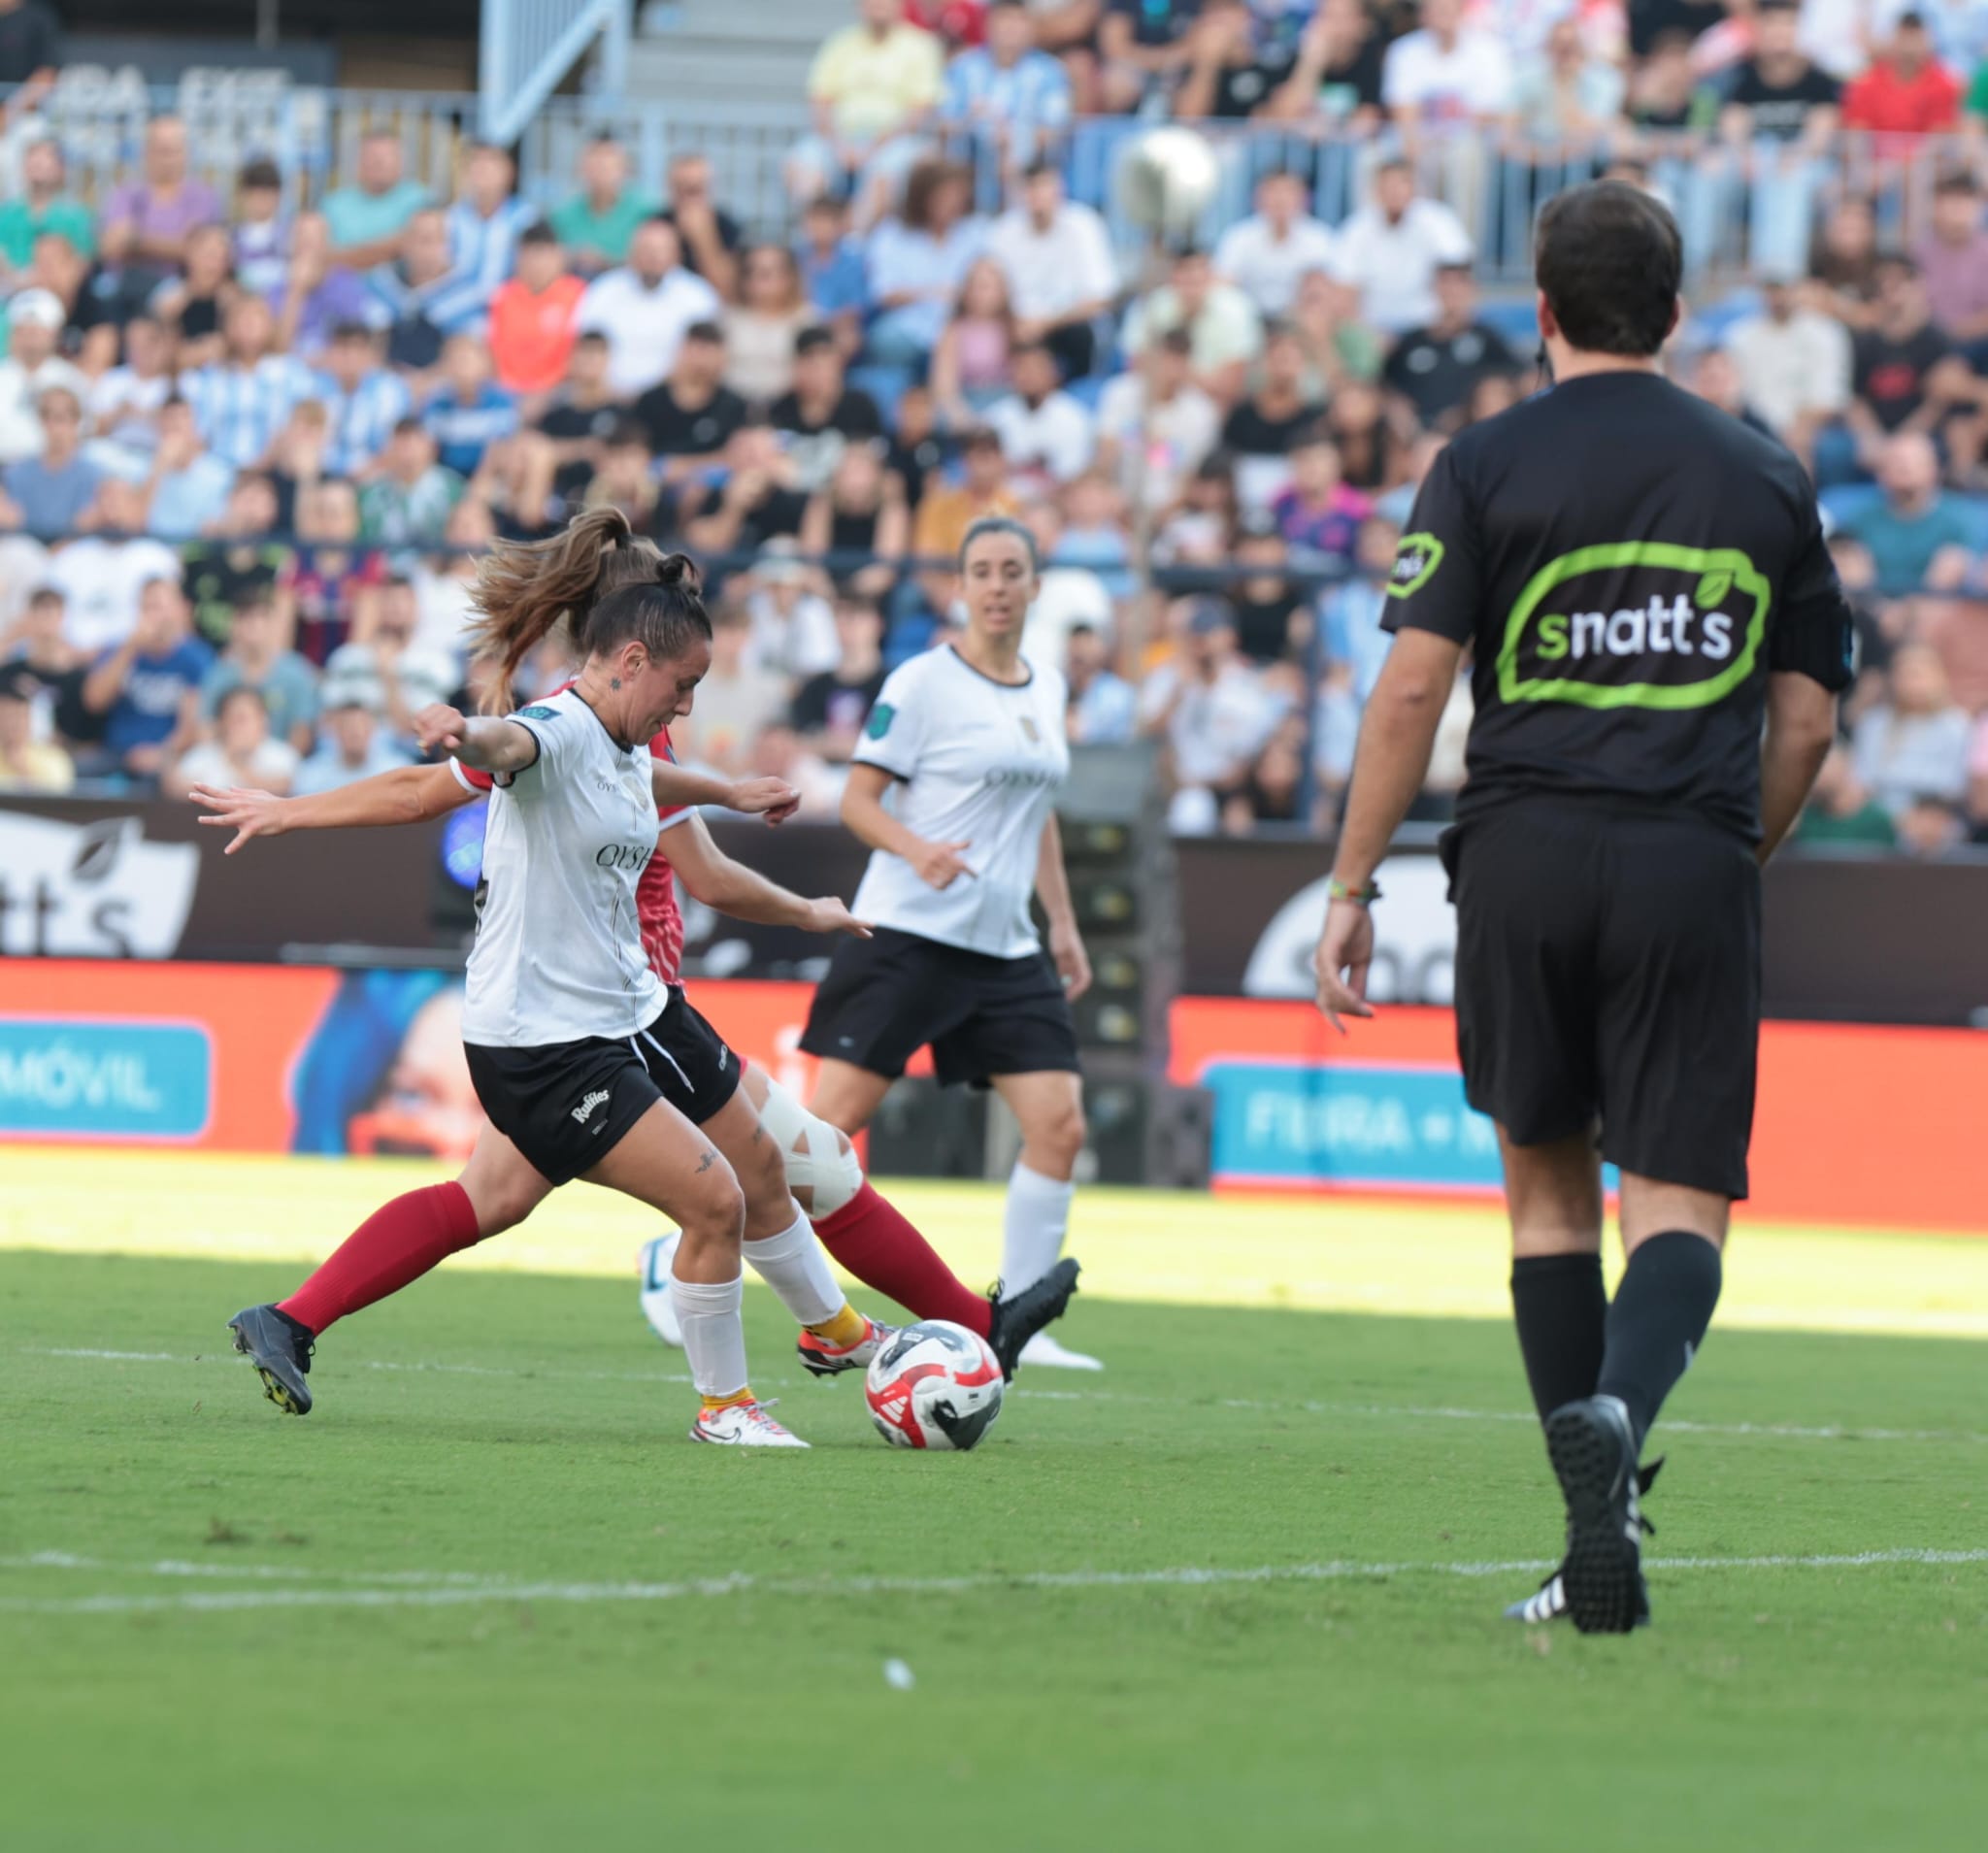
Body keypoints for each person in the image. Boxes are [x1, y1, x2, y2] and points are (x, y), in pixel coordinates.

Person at [1311, 182, 1852, 1635]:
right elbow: (1805, 723)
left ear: (1538, 311)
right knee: (1677, 1198)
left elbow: (1412, 688)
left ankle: (1585, 1531)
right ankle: (1622, 1413)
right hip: (1687, 849)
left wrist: (1354, 882)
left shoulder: (1480, 461)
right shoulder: (1765, 474)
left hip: (1525, 851)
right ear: (1675, 314)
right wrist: (1743, 849)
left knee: (1545, 1188)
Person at [204, 520, 1080, 1406]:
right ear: (634, 645)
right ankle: (881, 1333)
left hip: (613, 1005)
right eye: (685, 678)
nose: (686, 697)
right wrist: (309, 801)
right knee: (778, 1170)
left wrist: (728, 792)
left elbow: (646, 788)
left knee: (501, 1195)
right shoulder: (575, 725)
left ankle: (293, 1318)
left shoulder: (630, 728)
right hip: (609, 1012)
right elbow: (468, 787)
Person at [800, 515, 1094, 1370]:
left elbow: (1034, 817)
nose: (998, 585)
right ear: (960, 588)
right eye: (982, 571)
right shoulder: (924, 681)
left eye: (1013, 570)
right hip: (908, 935)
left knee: (1060, 1124)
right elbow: (858, 801)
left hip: (1005, 947)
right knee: (819, 1137)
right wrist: (915, 846)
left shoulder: (1045, 689)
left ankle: (1021, 1328)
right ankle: (678, 1266)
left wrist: (1062, 924)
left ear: (1035, 587)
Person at [983, 158, 1115, 381]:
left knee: (1079, 335)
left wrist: (1045, 323)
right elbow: (988, 289)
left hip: (1067, 326)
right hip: (1016, 326)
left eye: (1043, 186)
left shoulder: (1084, 226)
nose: (1037, 196)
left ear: (1059, 189)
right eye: (1030, 187)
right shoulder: (1003, 232)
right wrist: (1016, 322)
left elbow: (1100, 298)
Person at [576, 216, 724, 399]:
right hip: (607, 399)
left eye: (661, 250)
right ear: (631, 252)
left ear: (677, 254)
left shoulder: (698, 297)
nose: (654, 257)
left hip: (673, 402)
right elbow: (584, 348)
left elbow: (707, 356)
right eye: (646, 250)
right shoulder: (603, 291)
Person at [1328, 158, 1474, 338]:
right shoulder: (1356, 229)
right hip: (1372, 332)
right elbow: (1344, 294)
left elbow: (1460, 282)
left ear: (1415, 188)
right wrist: (1371, 335)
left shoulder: (1439, 222)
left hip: (1431, 329)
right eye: (1388, 185)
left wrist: (1443, 329)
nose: (1395, 192)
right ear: (1376, 191)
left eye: (1402, 183)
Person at [1214, 170, 1339, 321]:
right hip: (1250, 320)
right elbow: (1224, 284)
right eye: (1272, 191)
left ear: (1305, 199)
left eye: (1288, 191)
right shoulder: (1239, 237)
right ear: (1256, 198)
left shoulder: (1319, 238)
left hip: (1298, 320)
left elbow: (1325, 291)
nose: (1280, 199)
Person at [487, 222, 584, 399]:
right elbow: (495, 350)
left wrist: (545, 391)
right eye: (527, 255)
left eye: (542, 255)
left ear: (559, 256)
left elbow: (578, 354)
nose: (535, 264)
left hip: (559, 391)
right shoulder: (503, 297)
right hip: (508, 390)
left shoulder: (578, 295)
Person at [550, 137, 660, 281]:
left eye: (607, 167)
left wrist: (606, 263)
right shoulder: (562, 215)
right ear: (582, 168)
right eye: (594, 166)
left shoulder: (647, 211)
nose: (601, 173)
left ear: (624, 169)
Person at [166, 682, 300, 800]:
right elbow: (176, 789)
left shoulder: (282, 754)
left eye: (243, 719)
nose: (237, 726)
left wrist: (238, 764)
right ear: (221, 722)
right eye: (231, 718)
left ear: (263, 720)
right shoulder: (205, 753)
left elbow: (282, 790)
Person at [323, 130, 432, 271]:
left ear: (401, 161)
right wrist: (393, 247)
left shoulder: (421, 199)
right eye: (371, 155)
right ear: (358, 161)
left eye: (387, 155)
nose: (379, 162)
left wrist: (347, 257)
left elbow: (424, 251)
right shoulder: (334, 204)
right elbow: (320, 258)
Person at [0, 658, 75, 792]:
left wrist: (22, 769)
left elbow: (56, 805)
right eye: (6, 716)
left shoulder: (54, 759)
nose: (12, 723)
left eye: (19, 715)